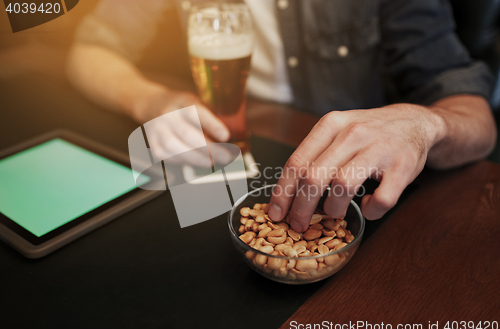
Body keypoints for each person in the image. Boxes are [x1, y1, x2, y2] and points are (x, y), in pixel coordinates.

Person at [67, 0, 497, 233]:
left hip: (355, 181)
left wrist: (423, 124)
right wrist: (150, 99)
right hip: (228, 159)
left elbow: (476, 118)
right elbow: (89, 50)